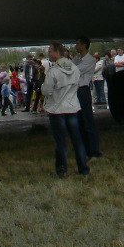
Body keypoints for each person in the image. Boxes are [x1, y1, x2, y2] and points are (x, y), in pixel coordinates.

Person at [43, 42, 90, 177]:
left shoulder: (54, 71)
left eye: (50, 51)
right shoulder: (75, 68)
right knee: (77, 140)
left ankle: (61, 170)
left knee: (60, 142)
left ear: (57, 52)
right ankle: (83, 169)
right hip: (72, 107)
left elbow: (46, 90)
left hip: (57, 109)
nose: (49, 53)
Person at [72, 39, 103, 160]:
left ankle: (94, 150)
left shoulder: (90, 60)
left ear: (84, 45)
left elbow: (74, 70)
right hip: (77, 90)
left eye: (78, 44)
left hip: (83, 90)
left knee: (88, 120)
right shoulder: (77, 58)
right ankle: (86, 150)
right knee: (80, 121)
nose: (76, 46)